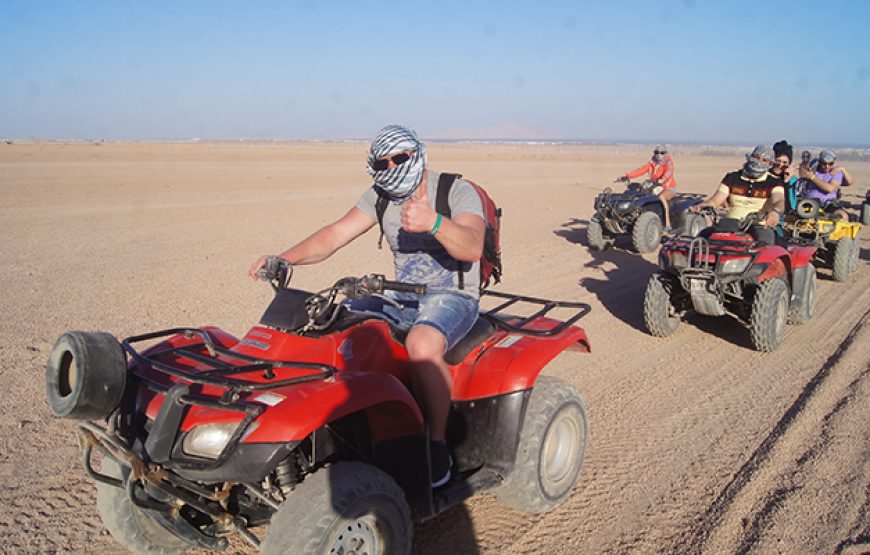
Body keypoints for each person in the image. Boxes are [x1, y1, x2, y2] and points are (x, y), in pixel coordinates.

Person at [249, 124, 485, 488]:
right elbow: (335, 234)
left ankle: (437, 445)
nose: (391, 168)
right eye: (382, 163)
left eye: (400, 158)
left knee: (421, 344)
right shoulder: (380, 196)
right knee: (338, 323)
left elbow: (472, 247)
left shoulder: (454, 190)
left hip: (452, 296)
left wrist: (433, 222)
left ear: (417, 154)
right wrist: (284, 258)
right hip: (400, 295)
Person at [692, 145, 785, 245]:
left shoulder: (774, 182)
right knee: (702, 239)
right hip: (731, 222)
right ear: (751, 157)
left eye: (764, 160)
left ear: (770, 164)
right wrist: (702, 206)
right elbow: (716, 200)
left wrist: (776, 212)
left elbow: (779, 200)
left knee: (765, 245)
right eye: (757, 157)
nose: (759, 162)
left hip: (758, 224)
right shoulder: (732, 178)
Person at [617, 144, 677, 231]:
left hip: (667, 187)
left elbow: (669, 172)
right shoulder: (652, 163)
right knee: (640, 194)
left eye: (662, 153)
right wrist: (627, 176)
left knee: (661, 197)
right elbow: (641, 170)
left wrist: (663, 179)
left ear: (665, 153)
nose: (659, 155)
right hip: (654, 186)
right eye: (656, 152)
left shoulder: (668, 163)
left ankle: (667, 224)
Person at [799, 149, 852, 220]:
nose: (827, 166)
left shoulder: (835, 172)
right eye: (824, 163)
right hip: (811, 202)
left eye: (830, 164)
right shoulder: (812, 169)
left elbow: (830, 188)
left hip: (829, 203)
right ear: (820, 162)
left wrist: (812, 177)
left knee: (842, 215)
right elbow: (802, 174)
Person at [771, 140, 799, 212]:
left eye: (784, 163)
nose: (780, 165)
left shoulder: (792, 181)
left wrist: (786, 182)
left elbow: (789, 207)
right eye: (778, 161)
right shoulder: (766, 177)